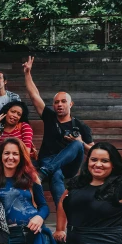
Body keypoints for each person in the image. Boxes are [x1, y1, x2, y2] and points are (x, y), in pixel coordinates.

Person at [23, 56, 93, 206]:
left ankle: (44, 172)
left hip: (70, 166)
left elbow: (94, 152)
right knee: (56, 174)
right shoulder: (49, 117)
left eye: (63, 101)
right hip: (48, 161)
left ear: (71, 104)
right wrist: (27, 73)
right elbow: (34, 95)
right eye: (56, 102)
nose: (59, 105)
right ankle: (64, 217)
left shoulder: (81, 126)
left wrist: (79, 142)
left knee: (77, 145)